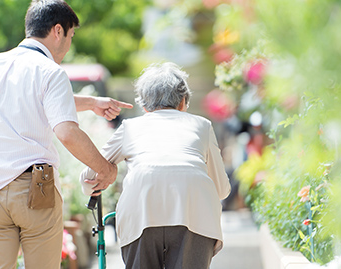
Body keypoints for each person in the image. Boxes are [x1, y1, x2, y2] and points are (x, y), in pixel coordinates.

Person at [0, 0, 132, 268]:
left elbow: (33, 100)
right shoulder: (51, 71)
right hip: (34, 188)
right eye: (70, 36)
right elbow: (67, 132)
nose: (69, 44)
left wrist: (92, 103)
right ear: (57, 31)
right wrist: (105, 169)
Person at [80, 62, 231, 269]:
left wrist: (103, 178)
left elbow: (89, 177)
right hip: (195, 212)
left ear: (144, 106)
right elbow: (222, 190)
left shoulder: (131, 127)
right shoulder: (202, 125)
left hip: (141, 211)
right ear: (183, 102)